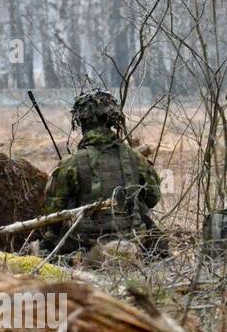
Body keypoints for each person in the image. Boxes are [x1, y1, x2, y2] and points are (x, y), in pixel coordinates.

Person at [41, 89, 161, 257]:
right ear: (112, 121)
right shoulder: (135, 158)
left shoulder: (70, 163)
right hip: (133, 241)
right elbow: (153, 198)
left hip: (84, 245)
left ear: (81, 122)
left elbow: (52, 213)